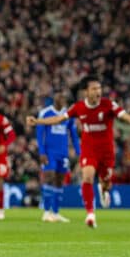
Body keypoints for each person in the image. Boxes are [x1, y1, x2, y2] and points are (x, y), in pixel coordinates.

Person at [27, 76, 130, 228]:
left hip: (107, 152)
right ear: (86, 92)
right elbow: (58, 119)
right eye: (94, 88)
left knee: (106, 183)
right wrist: (38, 121)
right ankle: (90, 213)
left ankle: (104, 190)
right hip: (89, 150)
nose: (98, 91)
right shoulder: (78, 107)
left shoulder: (108, 105)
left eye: (99, 88)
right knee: (87, 177)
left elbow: (128, 118)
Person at [36, 91, 81, 223]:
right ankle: (46, 211)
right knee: (49, 177)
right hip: (50, 152)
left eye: (63, 97)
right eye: (59, 96)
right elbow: (40, 134)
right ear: (54, 98)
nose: (62, 99)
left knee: (60, 181)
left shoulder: (68, 115)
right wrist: (42, 152)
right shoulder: (45, 113)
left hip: (63, 153)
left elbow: (73, 135)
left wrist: (79, 152)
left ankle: (55, 212)